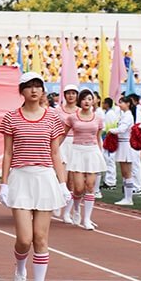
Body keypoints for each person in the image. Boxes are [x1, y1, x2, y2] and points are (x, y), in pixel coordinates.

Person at [0, 72, 70, 281]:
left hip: (45, 178)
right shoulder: (11, 118)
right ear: (21, 91)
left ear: (42, 90)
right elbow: (7, 153)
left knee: (40, 239)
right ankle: (20, 270)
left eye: (38, 86)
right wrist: (4, 183)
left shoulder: (52, 117)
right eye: (28, 87)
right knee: (24, 239)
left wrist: (62, 184)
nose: (34, 90)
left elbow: (55, 152)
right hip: (20, 178)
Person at [61, 89, 106, 230]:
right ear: (80, 102)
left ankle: (87, 219)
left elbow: (98, 138)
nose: (87, 102)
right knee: (78, 188)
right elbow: (63, 134)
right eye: (84, 99)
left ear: (93, 101)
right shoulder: (72, 118)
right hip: (77, 152)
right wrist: (54, 148)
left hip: (92, 152)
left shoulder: (98, 118)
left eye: (89, 99)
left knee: (90, 186)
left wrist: (100, 153)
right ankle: (75, 210)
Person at [55, 84, 78, 223]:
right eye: (68, 93)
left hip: (76, 146)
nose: (70, 96)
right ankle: (58, 203)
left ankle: (67, 213)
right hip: (62, 144)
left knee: (72, 182)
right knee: (60, 178)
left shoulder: (81, 112)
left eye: (73, 93)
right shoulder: (58, 111)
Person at [112, 96, 138, 206]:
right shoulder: (124, 115)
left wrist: (111, 130)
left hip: (126, 144)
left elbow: (122, 130)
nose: (120, 105)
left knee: (127, 172)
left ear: (128, 104)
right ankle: (127, 196)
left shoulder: (128, 116)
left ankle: (129, 198)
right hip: (122, 144)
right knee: (124, 172)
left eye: (121, 103)